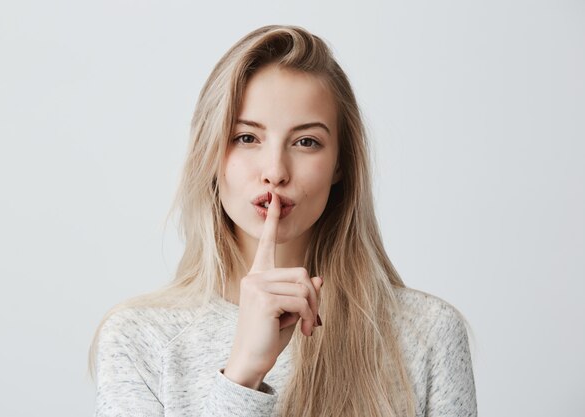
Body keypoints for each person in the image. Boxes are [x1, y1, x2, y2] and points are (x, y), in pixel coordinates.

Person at [87, 24, 477, 417]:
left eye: (306, 142)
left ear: (340, 164)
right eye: (246, 138)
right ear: (211, 153)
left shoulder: (427, 333)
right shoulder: (139, 338)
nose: (275, 171)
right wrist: (243, 375)